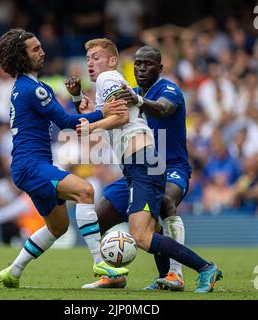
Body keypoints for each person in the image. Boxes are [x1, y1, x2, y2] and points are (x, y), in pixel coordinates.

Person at [66, 40, 222, 292]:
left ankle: (180, 272)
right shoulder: (127, 89)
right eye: (137, 63)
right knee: (100, 218)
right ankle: (116, 274)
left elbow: (158, 110)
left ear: (159, 68)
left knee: (159, 210)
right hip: (135, 168)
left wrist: (128, 105)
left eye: (147, 64)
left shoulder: (165, 89)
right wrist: (77, 100)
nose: (140, 68)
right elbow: (101, 116)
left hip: (163, 164)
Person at [0, 28, 128, 288]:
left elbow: (71, 118)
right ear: (22, 56)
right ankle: (99, 261)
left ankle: (14, 271)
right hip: (32, 165)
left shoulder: (25, 87)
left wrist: (80, 99)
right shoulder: (35, 89)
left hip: (31, 166)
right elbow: (67, 121)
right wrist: (104, 111)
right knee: (85, 190)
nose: (42, 52)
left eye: (41, 47)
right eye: (35, 49)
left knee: (58, 227)